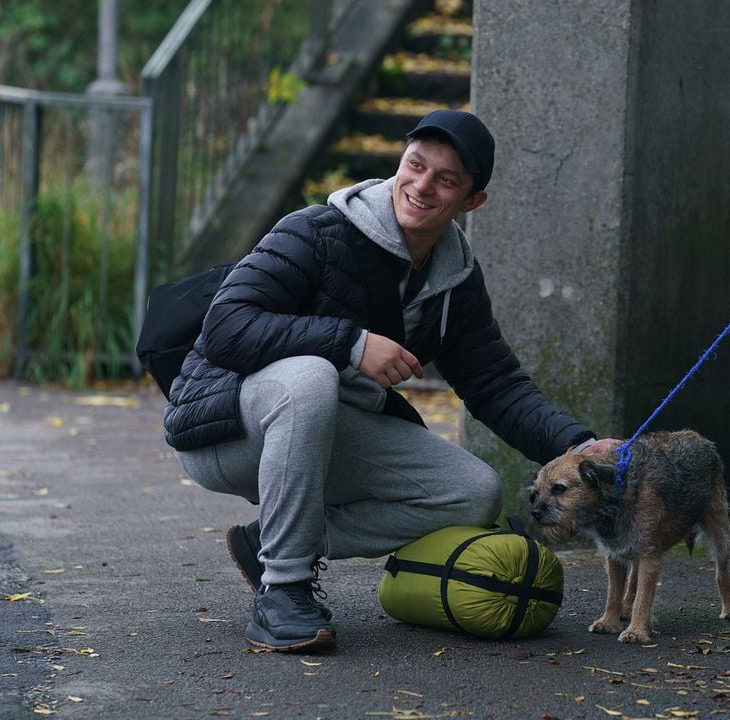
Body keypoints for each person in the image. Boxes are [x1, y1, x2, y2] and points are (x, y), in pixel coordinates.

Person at [162, 110, 618, 653]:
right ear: (399, 162)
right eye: (416, 165)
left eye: (446, 180)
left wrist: (579, 446)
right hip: (227, 430)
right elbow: (225, 326)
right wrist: (351, 342)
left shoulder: (455, 280)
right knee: (309, 375)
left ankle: (272, 541)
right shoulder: (315, 231)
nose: (422, 186)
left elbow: (495, 383)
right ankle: (282, 590)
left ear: (472, 202)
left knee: (473, 492)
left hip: (322, 433)